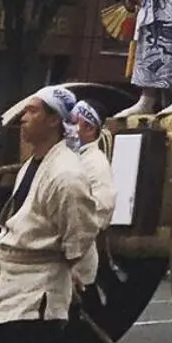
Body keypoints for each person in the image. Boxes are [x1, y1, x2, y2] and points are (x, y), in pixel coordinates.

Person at [0, 88, 100, 343]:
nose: (23, 118)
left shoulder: (67, 175)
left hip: (37, 298)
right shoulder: (33, 164)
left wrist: (74, 280)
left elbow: (79, 237)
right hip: (9, 287)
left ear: (54, 119)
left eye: (33, 111)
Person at [67, 101, 116, 301]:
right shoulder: (67, 157)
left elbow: (101, 211)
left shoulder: (96, 164)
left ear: (89, 128)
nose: (66, 127)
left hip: (76, 259)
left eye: (72, 122)